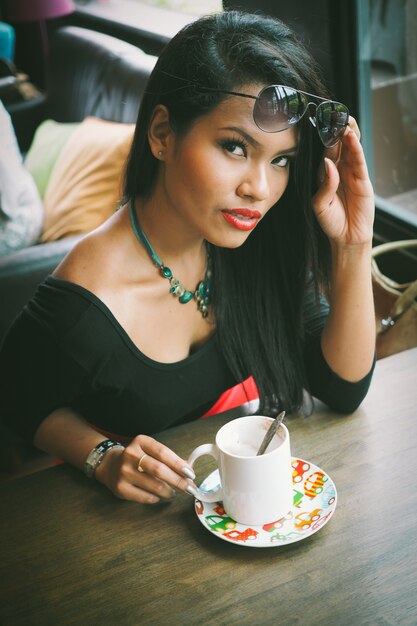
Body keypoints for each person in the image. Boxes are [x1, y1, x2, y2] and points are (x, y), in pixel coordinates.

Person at [0, 11, 376, 505]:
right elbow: (16, 400)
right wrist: (100, 455)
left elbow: (343, 387)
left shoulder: (247, 244)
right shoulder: (84, 303)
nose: (259, 189)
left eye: (280, 160)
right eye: (234, 147)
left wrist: (351, 247)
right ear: (161, 134)